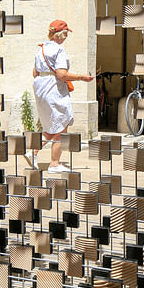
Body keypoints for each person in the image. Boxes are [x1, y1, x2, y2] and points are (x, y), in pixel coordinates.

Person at [32, 20, 94, 173]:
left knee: (51, 125)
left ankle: (32, 151)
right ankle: (54, 163)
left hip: (40, 88)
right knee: (62, 123)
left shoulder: (41, 49)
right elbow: (62, 74)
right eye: (65, 34)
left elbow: (34, 73)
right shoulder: (59, 50)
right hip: (53, 89)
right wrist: (81, 78)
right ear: (60, 34)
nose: (66, 37)